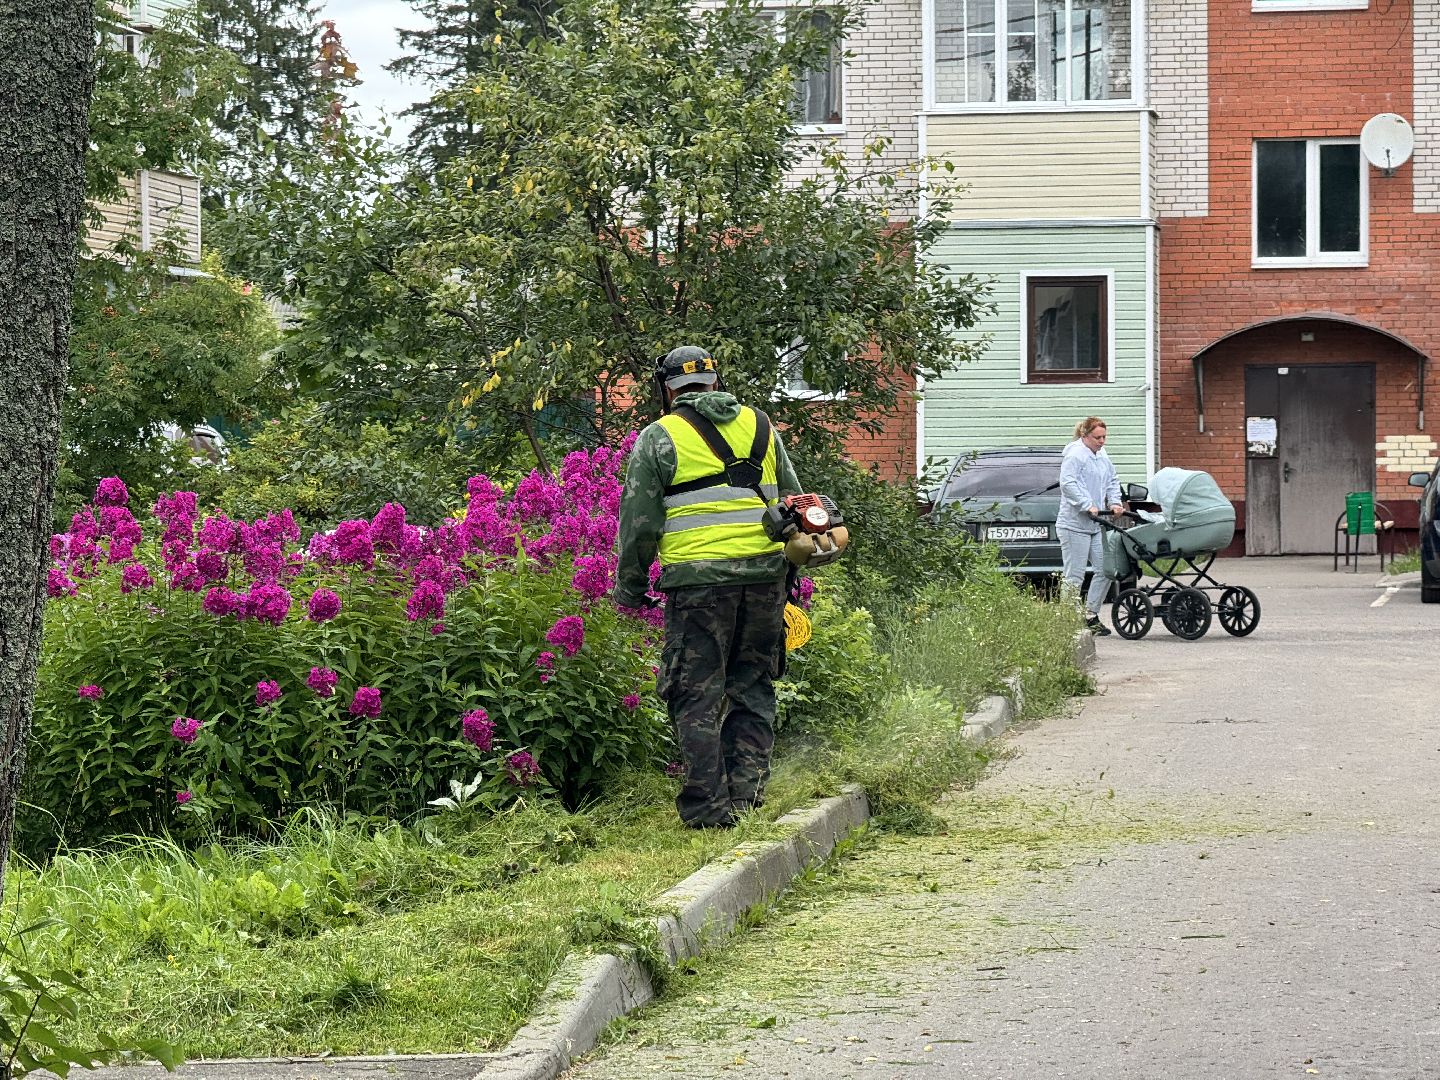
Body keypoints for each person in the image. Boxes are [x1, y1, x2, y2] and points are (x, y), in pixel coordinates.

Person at [614, 345, 802, 828]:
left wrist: (630, 590)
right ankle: (746, 796)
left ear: (667, 389)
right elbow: (795, 502)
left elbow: (639, 525)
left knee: (694, 692)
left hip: (698, 586)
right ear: (716, 383)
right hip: (765, 580)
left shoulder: (658, 438)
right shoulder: (761, 426)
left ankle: (708, 810)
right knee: (753, 685)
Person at [1057, 416, 1123, 636]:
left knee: (1105, 569)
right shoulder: (1075, 455)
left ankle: (1090, 614)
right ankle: (1068, 620)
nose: (1102, 441)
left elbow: (1113, 480)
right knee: (1074, 575)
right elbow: (1068, 483)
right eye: (1097, 437)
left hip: (1095, 525)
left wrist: (1114, 502)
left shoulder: (1102, 455)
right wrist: (1087, 505)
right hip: (1074, 524)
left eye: (1104, 437)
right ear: (1085, 436)